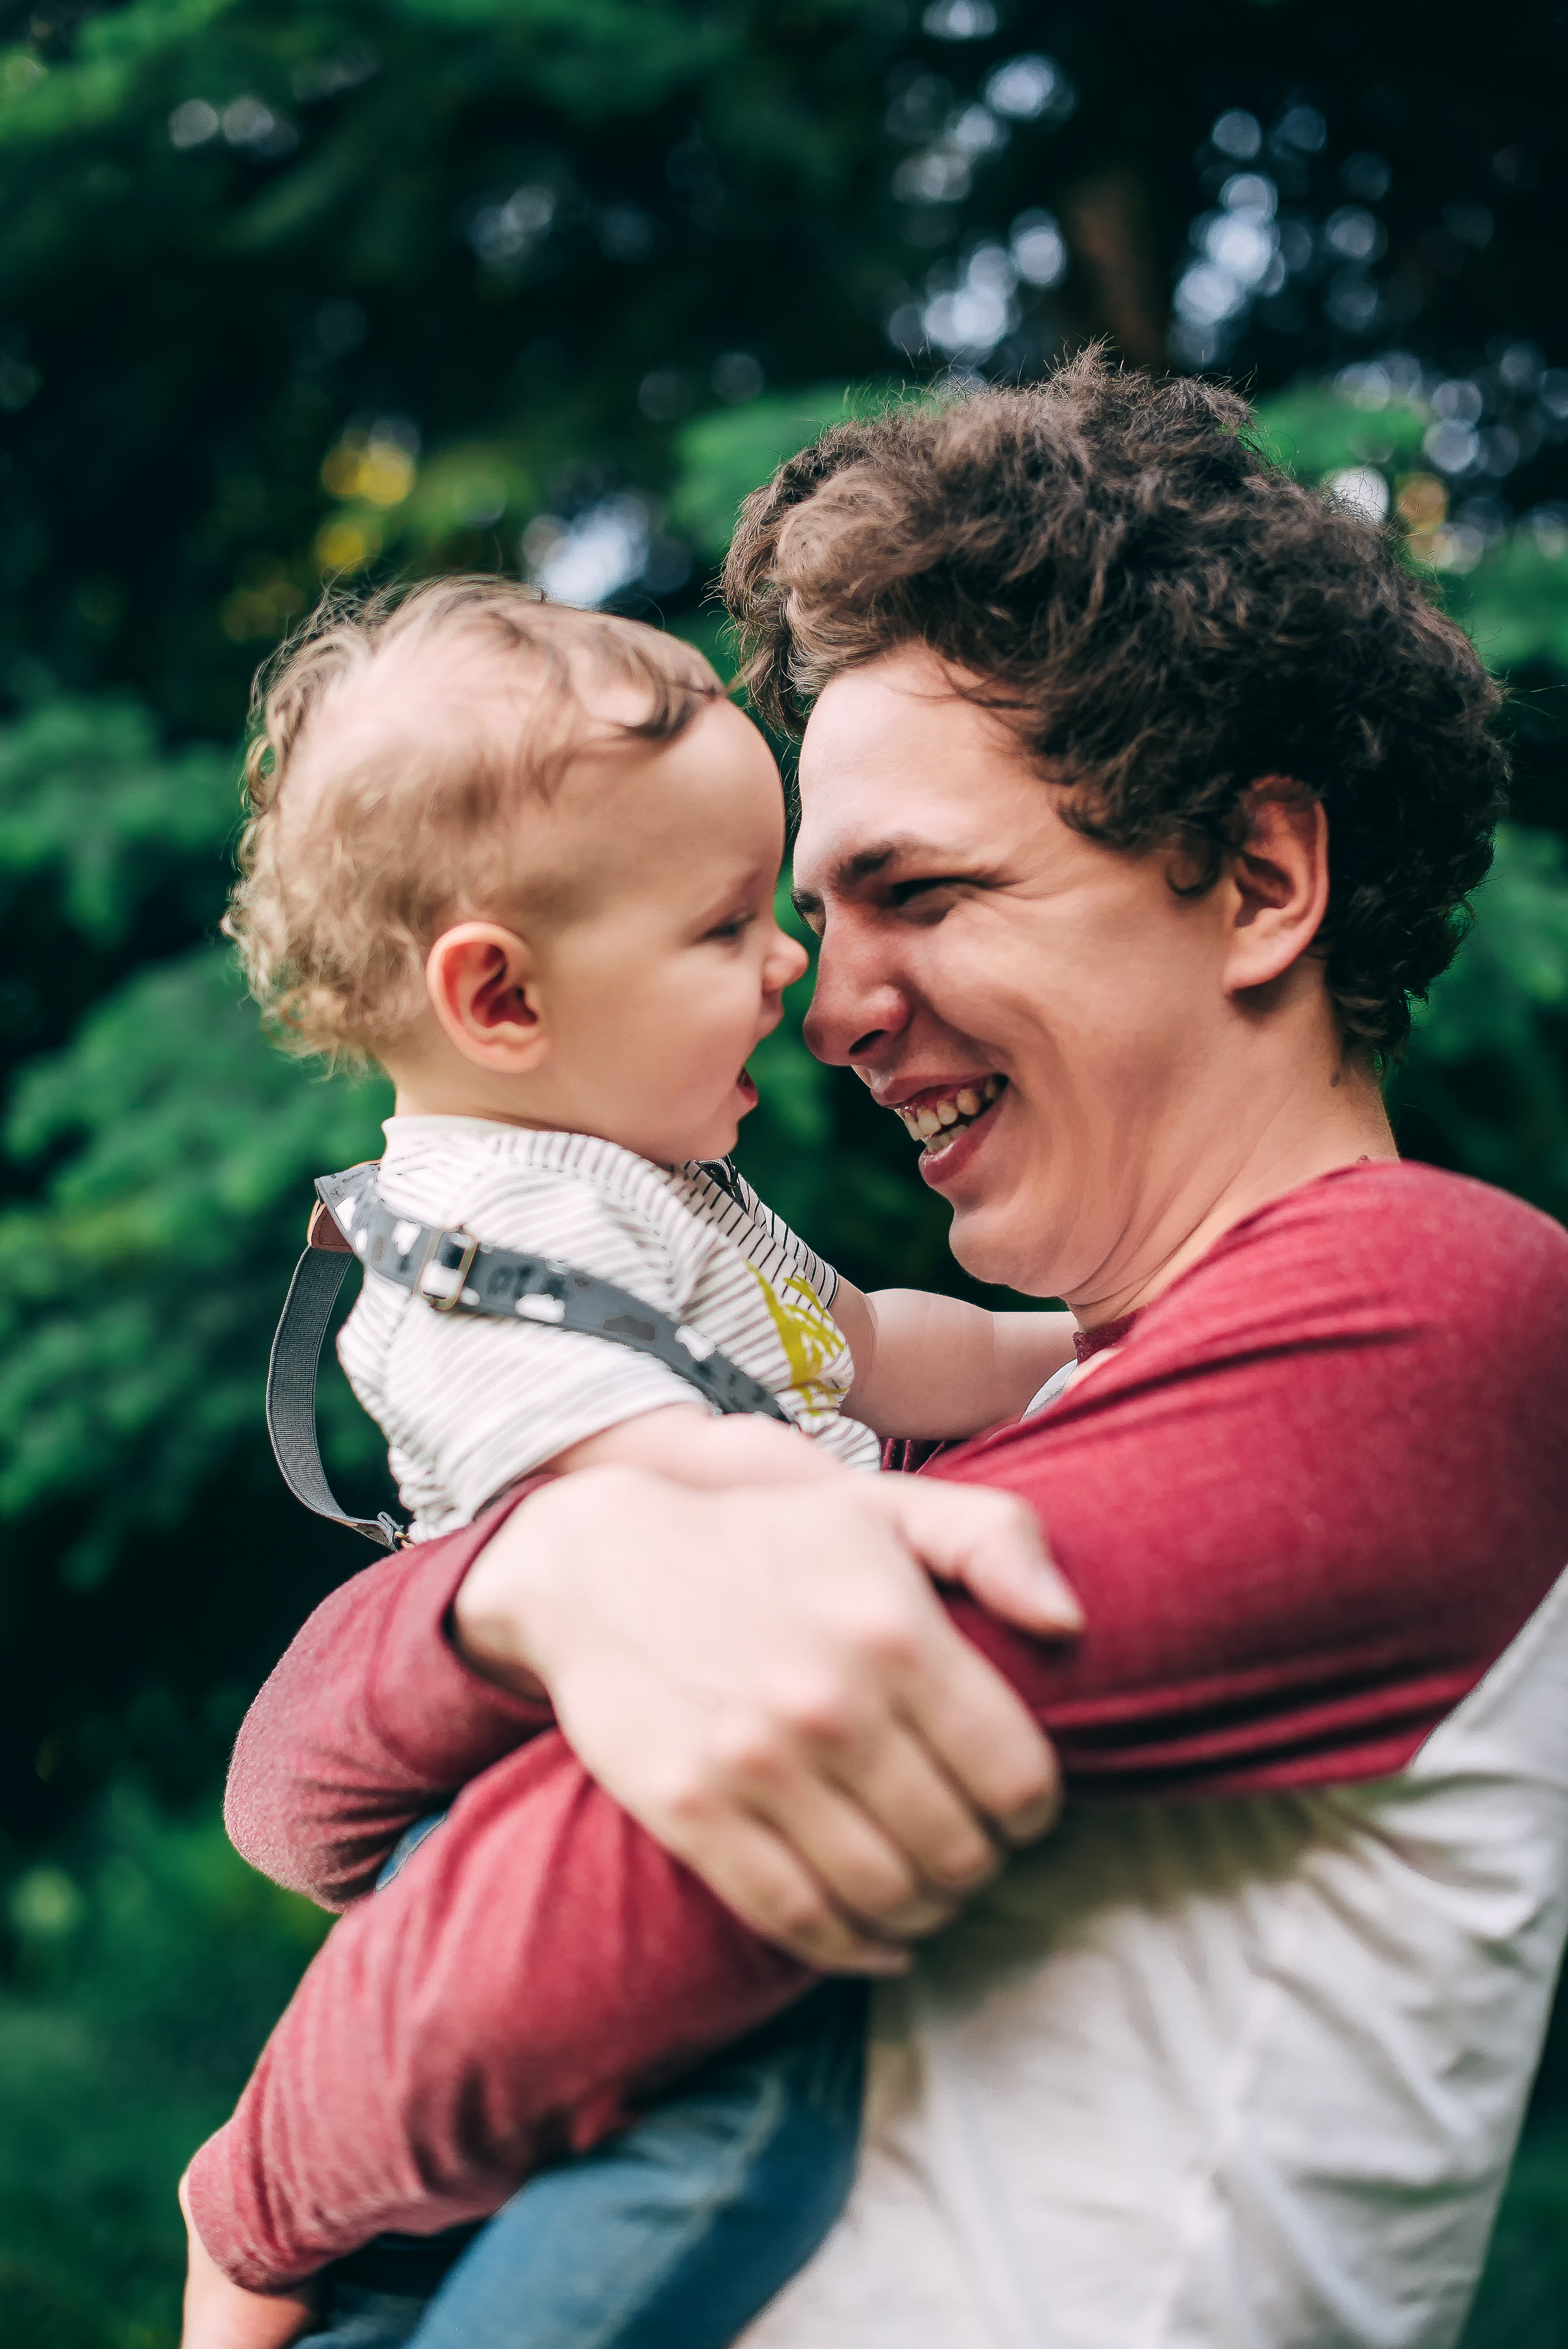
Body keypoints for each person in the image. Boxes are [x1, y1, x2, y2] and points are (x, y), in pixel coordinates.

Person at [185, 356, 1568, 2349]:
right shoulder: (1001, 1419)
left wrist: (243, 2212)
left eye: (919, 892)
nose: (824, 1010)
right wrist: (537, 1577)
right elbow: (294, 1777)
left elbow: (624, 1884)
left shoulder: (1430, 1304)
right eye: (807, 916)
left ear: (1262, 879)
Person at [187, 579, 1087, 2347]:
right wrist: (905, 1511)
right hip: (569, 1803)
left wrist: (1096, 1344)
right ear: (501, 993)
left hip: (677, 1767)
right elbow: (645, 1473)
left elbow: (879, 1345)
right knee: (731, 2147)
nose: (791, 971)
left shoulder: (657, 1182)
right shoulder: (474, 1238)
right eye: (726, 925)